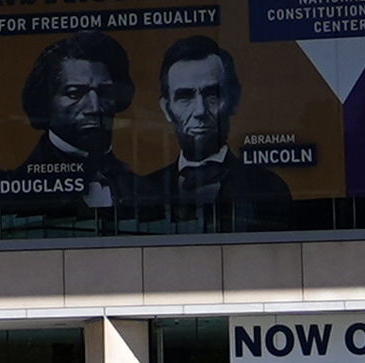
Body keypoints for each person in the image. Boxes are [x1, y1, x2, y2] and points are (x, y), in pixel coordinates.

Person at [128, 37, 301, 229]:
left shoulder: (268, 188)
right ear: (167, 109)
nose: (200, 111)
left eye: (212, 95)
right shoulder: (142, 191)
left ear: (233, 99)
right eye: (185, 97)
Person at [0, 30, 143, 220]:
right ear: (45, 100)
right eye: (75, 93)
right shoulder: (10, 192)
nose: (94, 107)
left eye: (105, 91)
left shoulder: (146, 190)